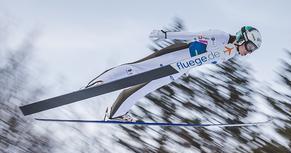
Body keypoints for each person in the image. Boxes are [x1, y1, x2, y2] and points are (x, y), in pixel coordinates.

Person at [85, 26, 262, 121]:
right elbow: (193, 36)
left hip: (178, 69)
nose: (249, 52)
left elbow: (203, 60)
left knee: (143, 89)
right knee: (137, 68)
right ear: (242, 38)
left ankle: (116, 113)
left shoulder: (230, 54)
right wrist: (166, 35)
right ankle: (101, 82)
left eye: (252, 50)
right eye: (249, 47)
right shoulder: (221, 36)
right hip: (176, 55)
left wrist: (188, 68)